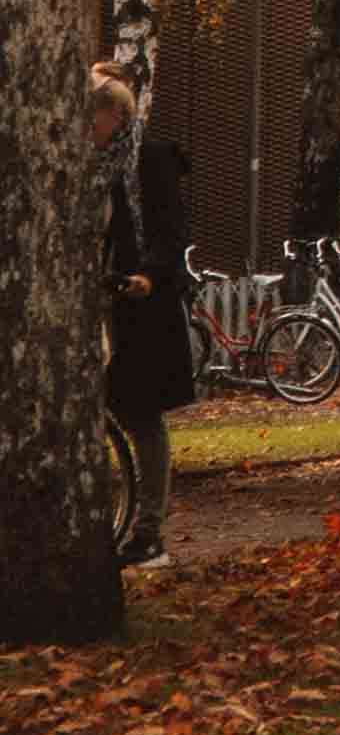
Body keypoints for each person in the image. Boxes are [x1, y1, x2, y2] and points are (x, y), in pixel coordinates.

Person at [94, 71, 192, 566]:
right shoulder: (98, 165)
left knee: (143, 417)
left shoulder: (149, 158)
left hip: (144, 306)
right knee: (114, 412)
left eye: (92, 117)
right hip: (107, 302)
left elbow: (170, 230)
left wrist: (148, 277)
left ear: (115, 115)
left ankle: (149, 530)